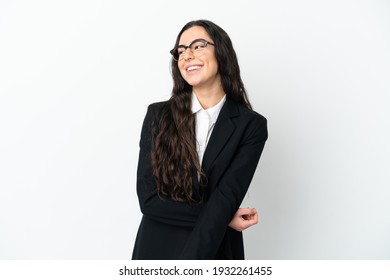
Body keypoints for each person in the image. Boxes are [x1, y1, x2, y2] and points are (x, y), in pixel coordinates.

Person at [132, 19, 268, 260]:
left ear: (222, 52)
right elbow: (149, 199)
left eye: (198, 45)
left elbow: (227, 196)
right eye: (181, 51)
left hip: (216, 252)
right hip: (157, 250)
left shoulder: (251, 125)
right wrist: (224, 217)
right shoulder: (158, 116)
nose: (186, 56)